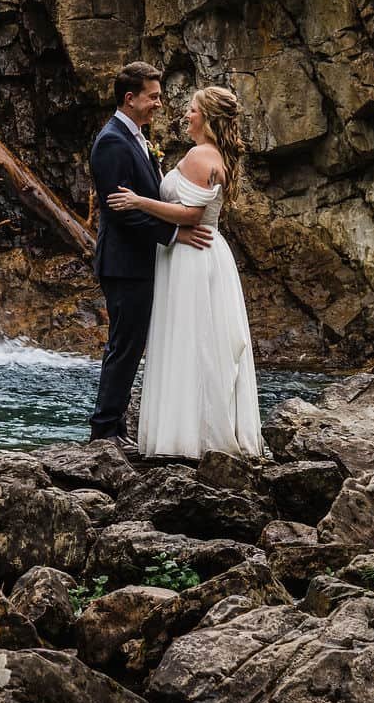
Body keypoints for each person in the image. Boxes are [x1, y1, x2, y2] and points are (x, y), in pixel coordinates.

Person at [104, 85, 261, 459]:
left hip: (191, 256)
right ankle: (202, 431)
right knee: (206, 341)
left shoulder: (198, 156)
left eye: (192, 110)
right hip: (205, 253)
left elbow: (191, 215)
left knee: (190, 340)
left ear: (207, 118)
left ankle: (187, 437)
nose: (185, 115)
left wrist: (138, 200)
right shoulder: (215, 154)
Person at [87, 62, 211, 447]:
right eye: (153, 96)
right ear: (131, 98)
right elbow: (119, 211)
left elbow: (143, 201)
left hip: (140, 261)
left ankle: (116, 426)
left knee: (131, 344)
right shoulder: (112, 142)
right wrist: (175, 232)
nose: (159, 103)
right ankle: (105, 430)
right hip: (124, 262)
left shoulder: (136, 138)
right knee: (125, 345)